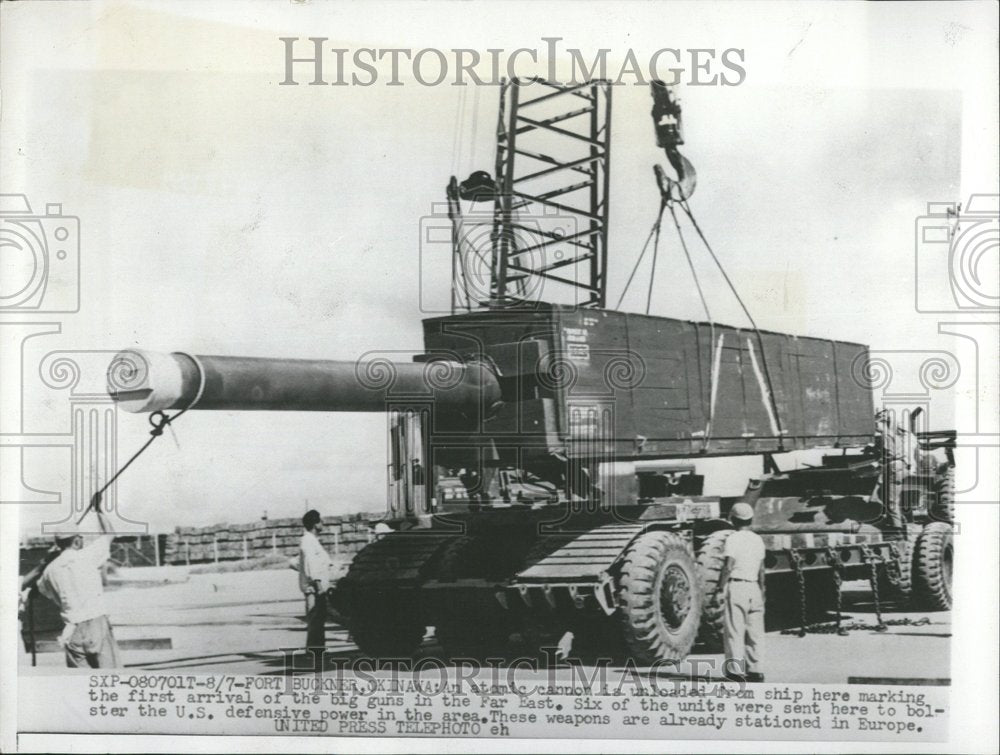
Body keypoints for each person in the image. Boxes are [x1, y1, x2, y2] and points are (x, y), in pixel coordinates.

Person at [36, 504, 121, 668]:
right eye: (80, 538)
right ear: (76, 540)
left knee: (80, 683)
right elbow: (110, 534)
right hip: (96, 623)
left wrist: (49, 560)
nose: (82, 540)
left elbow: (43, 590)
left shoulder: (50, 570)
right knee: (110, 678)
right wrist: (99, 510)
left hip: (72, 630)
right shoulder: (87, 556)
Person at [718, 502, 766, 683]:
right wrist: (762, 591)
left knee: (734, 631)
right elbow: (762, 571)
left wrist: (719, 587)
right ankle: (756, 671)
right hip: (754, 587)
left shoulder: (733, 539)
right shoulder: (758, 539)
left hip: (737, 586)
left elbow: (728, 566)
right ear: (751, 519)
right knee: (755, 632)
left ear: (732, 519)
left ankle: (735, 672)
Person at [298, 509, 333, 651]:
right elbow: (312, 564)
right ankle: (314, 651)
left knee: (318, 619)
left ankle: (317, 649)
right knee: (315, 618)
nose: (323, 524)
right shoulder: (308, 541)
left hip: (317, 586)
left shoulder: (311, 541)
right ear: (315, 524)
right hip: (314, 587)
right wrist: (318, 585)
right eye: (321, 521)